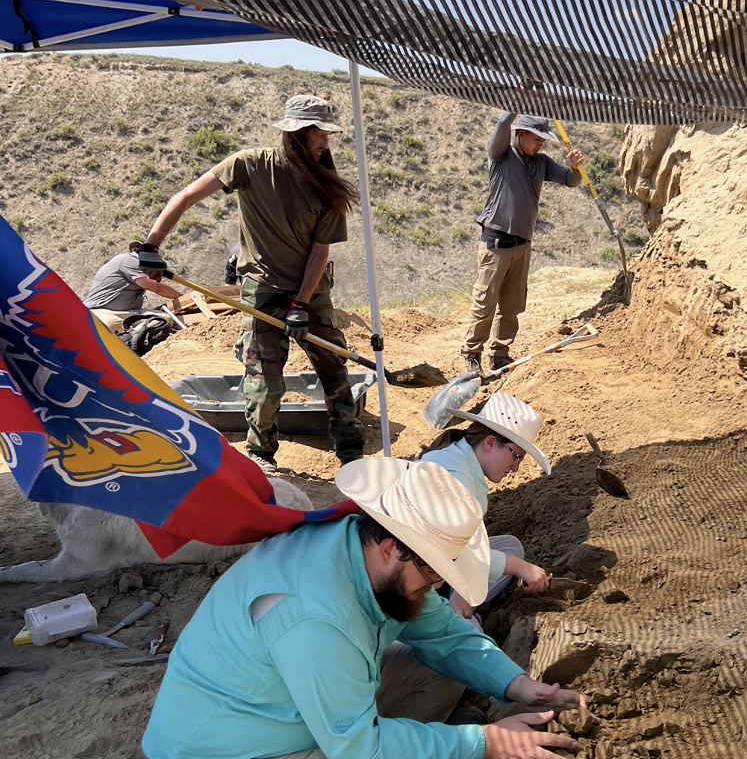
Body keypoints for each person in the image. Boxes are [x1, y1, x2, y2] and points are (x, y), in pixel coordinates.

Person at [141, 458, 583, 759]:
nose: (435, 586)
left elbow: (445, 635)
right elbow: (360, 749)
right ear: (392, 547)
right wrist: (483, 744)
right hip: (225, 757)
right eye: (432, 574)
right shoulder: (315, 611)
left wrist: (517, 684)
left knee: (440, 670)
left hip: (306, 706)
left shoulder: (365, 553)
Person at [133, 94, 365, 474]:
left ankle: (352, 453)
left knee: (334, 370)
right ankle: (261, 454)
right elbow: (187, 195)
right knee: (263, 379)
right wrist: (151, 246)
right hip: (261, 290)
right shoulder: (249, 164)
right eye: (319, 133)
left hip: (312, 293)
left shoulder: (329, 189)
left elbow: (318, 254)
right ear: (297, 134)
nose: (326, 142)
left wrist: (301, 306)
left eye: (328, 134)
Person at [462, 113, 584, 377]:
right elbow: (502, 124)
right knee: (485, 302)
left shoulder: (541, 162)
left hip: (522, 244)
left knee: (512, 305)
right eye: (536, 138)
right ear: (521, 134)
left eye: (544, 139)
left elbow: (571, 181)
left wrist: (575, 167)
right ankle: (472, 355)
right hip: (496, 243)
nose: (540, 144)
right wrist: (517, 101)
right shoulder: (501, 155)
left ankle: (500, 354)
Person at [418, 393, 553, 623]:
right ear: (490, 443)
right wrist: (521, 569)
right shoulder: (455, 476)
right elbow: (449, 550)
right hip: (418, 580)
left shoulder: (461, 461)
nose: (516, 468)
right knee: (469, 632)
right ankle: (453, 615)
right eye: (516, 456)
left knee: (510, 547)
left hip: (440, 566)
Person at [82, 248, 184, 334]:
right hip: (100, 311)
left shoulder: (138, 267)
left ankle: (135, 341)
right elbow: (157, 287)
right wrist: (186, 297)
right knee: (113, 324)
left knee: (164, 320)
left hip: (126, 313)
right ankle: (130, 343)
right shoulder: (129, 260)